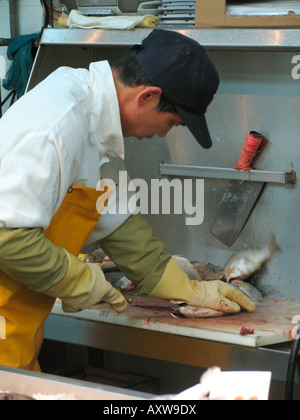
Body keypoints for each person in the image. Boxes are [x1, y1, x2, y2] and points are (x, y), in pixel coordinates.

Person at [0, 29, 255, 371]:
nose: (163, 133)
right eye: (173, 122)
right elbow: (8, 237)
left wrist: (194, 290)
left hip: (16, 337)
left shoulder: (97, 127)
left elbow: (124, 231)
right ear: (148, 96)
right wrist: (78, 279)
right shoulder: (58, 125)